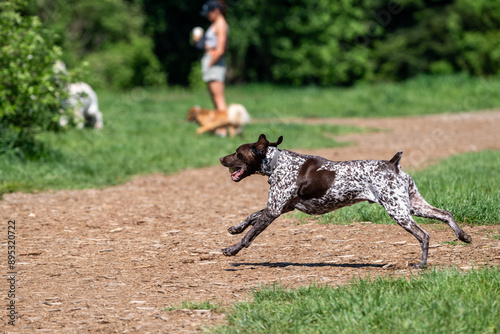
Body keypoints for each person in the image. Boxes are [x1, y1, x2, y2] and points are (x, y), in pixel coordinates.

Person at [199, 0, 229, 136]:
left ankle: (223, 129)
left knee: (219, 99)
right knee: (215, 98)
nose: (207, 16)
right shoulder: (217, 24)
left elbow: (221, 49)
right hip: (213, 62)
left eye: (208, 13)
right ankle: (219, 127)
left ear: (216, 11)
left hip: (215, 64)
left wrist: (210, 63)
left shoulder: (221, 25)